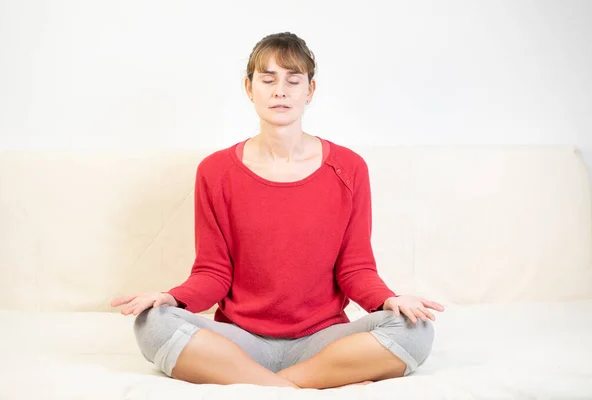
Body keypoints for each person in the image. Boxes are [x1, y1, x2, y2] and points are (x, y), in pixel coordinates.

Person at [110, 32, 445, 390]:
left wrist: (388, 300)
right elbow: (212, 271)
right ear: (249, 88)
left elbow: (356, 268)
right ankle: (289, 389)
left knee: (416, 329)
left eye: (292, 80)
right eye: (267, 79)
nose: (279, 91)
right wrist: (172, 298)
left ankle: (265, 386)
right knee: (152, 322)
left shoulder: (349, 168)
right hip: (239, 340)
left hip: (324, 342)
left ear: (310, 91)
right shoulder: (215, 171)